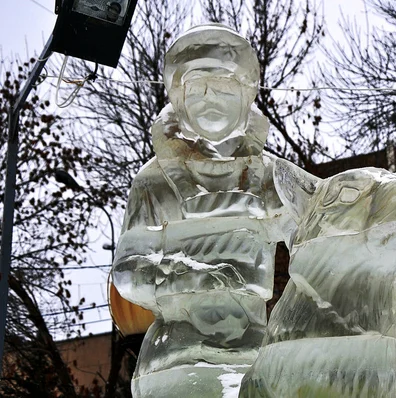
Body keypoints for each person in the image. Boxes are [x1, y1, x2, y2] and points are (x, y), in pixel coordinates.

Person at [111, 24, 297, 397]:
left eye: (225, 84)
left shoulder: (272, 179)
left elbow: (320, 234)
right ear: (178, 98)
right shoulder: (154, 183)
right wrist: (193, 274)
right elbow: (127, 271)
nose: (210, 98)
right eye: (196, 87)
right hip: (174, 362)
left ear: (247, 92)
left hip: (253, 362)